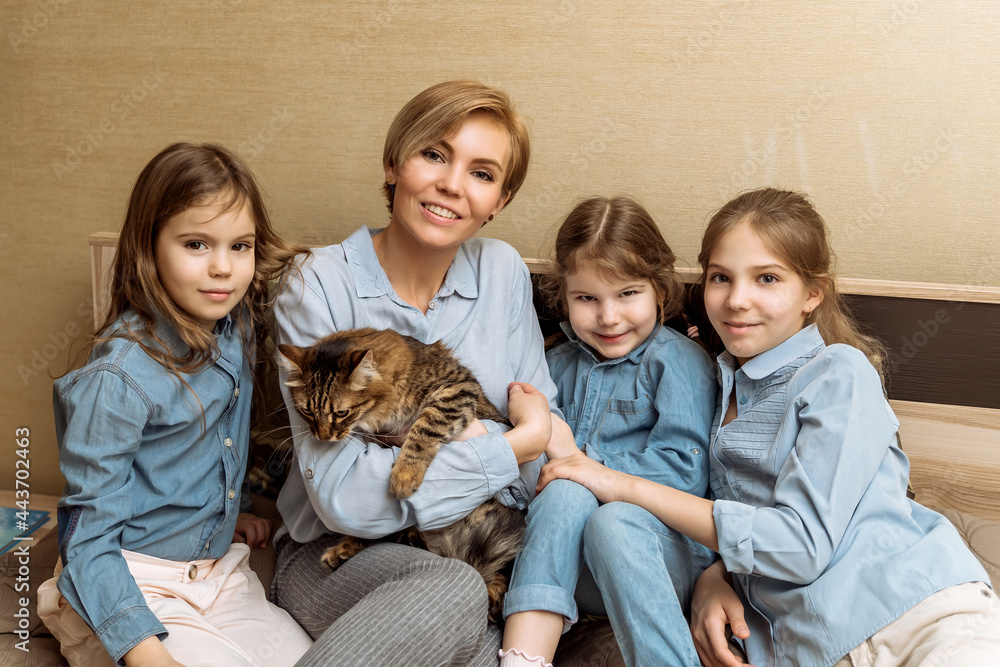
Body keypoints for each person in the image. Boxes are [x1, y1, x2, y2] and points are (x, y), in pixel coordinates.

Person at [537, 188, 1000, 667]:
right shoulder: (710, 385)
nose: (738, 300)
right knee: (615, 522)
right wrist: (713, 577)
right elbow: (723, 516)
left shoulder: (839, 372)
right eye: (721, 278)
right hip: (803, 647)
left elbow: (799, 546)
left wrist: (618, 482)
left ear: (812, 293)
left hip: (917, 615)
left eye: (767, 278)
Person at [269, 80, 557, 667]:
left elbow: (541, 462)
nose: (452, 184)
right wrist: (508, 444)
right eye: (434, 154)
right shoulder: (317, 285)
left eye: (483, 173)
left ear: (499, 199)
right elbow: (345, 501)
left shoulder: (501, 273)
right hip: (330, 557)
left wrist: (517, 448)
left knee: (486, 646)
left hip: (469, 546)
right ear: (393, 162)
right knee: (455, 591)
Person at [37, 142, 314, 667]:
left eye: (241, 246)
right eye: (195, 244)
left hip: (215, 575)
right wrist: (146, 653)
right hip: (128, 580)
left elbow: (196, 452)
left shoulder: (238, 325)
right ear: (149, 247)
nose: (223, 269)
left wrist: (214, 514)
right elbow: (87, 538)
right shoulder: (116, 378)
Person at [499, 196, 718, 667]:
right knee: (563, 494)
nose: (609, 317)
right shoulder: (554, 363)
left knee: (578, 494)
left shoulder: (678, 362)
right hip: (566, 565)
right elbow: (529, 468)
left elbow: (684, 472)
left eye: (627, 294)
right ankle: (523, 656)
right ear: (564, 294)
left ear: (659, 289)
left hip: (656, 557)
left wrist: (581, 464)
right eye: (587, 298)